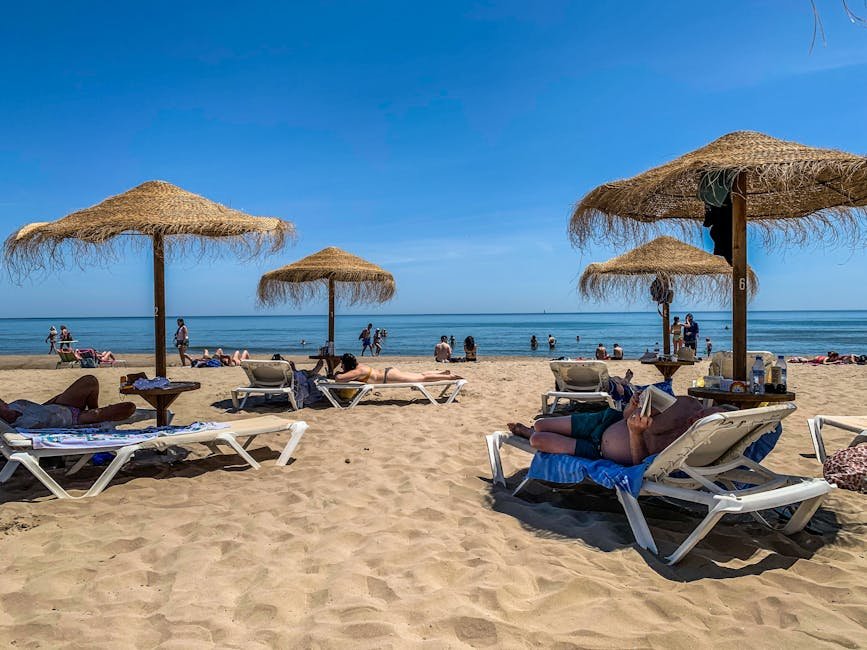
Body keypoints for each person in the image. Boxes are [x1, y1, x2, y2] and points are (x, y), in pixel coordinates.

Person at [507, 393, 726, 466]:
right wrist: (632, 408)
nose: (700, 415)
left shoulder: (684, 444)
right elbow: (632, 416)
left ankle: (528, 435)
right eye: (709, 410)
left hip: (597, 451)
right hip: (606, 421)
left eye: (705, 419)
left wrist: (636, 433)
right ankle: (528, 430)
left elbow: (641, 466)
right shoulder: (687, 404)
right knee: (541, 424)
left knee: (538, 440)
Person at [0, 375, 136, 429]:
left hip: (61, 405)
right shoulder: (20, 426)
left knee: (90, 380)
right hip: (74, 419)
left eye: (2, 403)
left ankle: (95, 412)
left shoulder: (17, 404)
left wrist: (62, 397)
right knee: (128, 407)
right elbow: (46, 429)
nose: (4, 405)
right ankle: (96, 418)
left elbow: (43, 406)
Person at [336, 353, 462, 384]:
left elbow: (339, 379)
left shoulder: (358, 371)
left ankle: (449, 377)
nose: (341, 366)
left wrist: (335, 372)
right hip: (388, 372)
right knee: (419, 374)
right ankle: (442, 372)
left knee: (421, 378)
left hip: (389, 376)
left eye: (342, 363)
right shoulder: (359, 366)